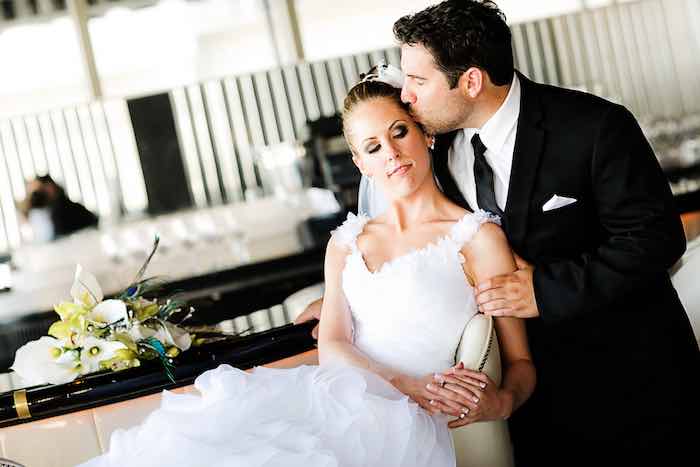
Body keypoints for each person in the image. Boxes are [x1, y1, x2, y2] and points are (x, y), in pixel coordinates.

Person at [295, 1, 700, 464]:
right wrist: (346, 295)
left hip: (626, 380)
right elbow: (427, 245)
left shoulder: (594, 127)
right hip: (527, 402)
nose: (405, 95)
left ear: (470, 81)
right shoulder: (436, 141)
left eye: (418, 81)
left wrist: (544, 290)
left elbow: (656, 240)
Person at [80, 76, 535, 467]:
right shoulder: (345, 243)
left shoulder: (476, 239)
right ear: (359, 163)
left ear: (426, 134)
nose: (391, 154)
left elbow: (521, 363)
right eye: (373, 147)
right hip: (331, 397)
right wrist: (405, 384)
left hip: (402, 427)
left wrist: (503, 400)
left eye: (399, 132)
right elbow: (333, 344)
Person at [18, 175, 99, 241]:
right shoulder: (46, 212)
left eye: (37, 192)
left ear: (50, 187)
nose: (34, 198)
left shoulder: (65, 210)